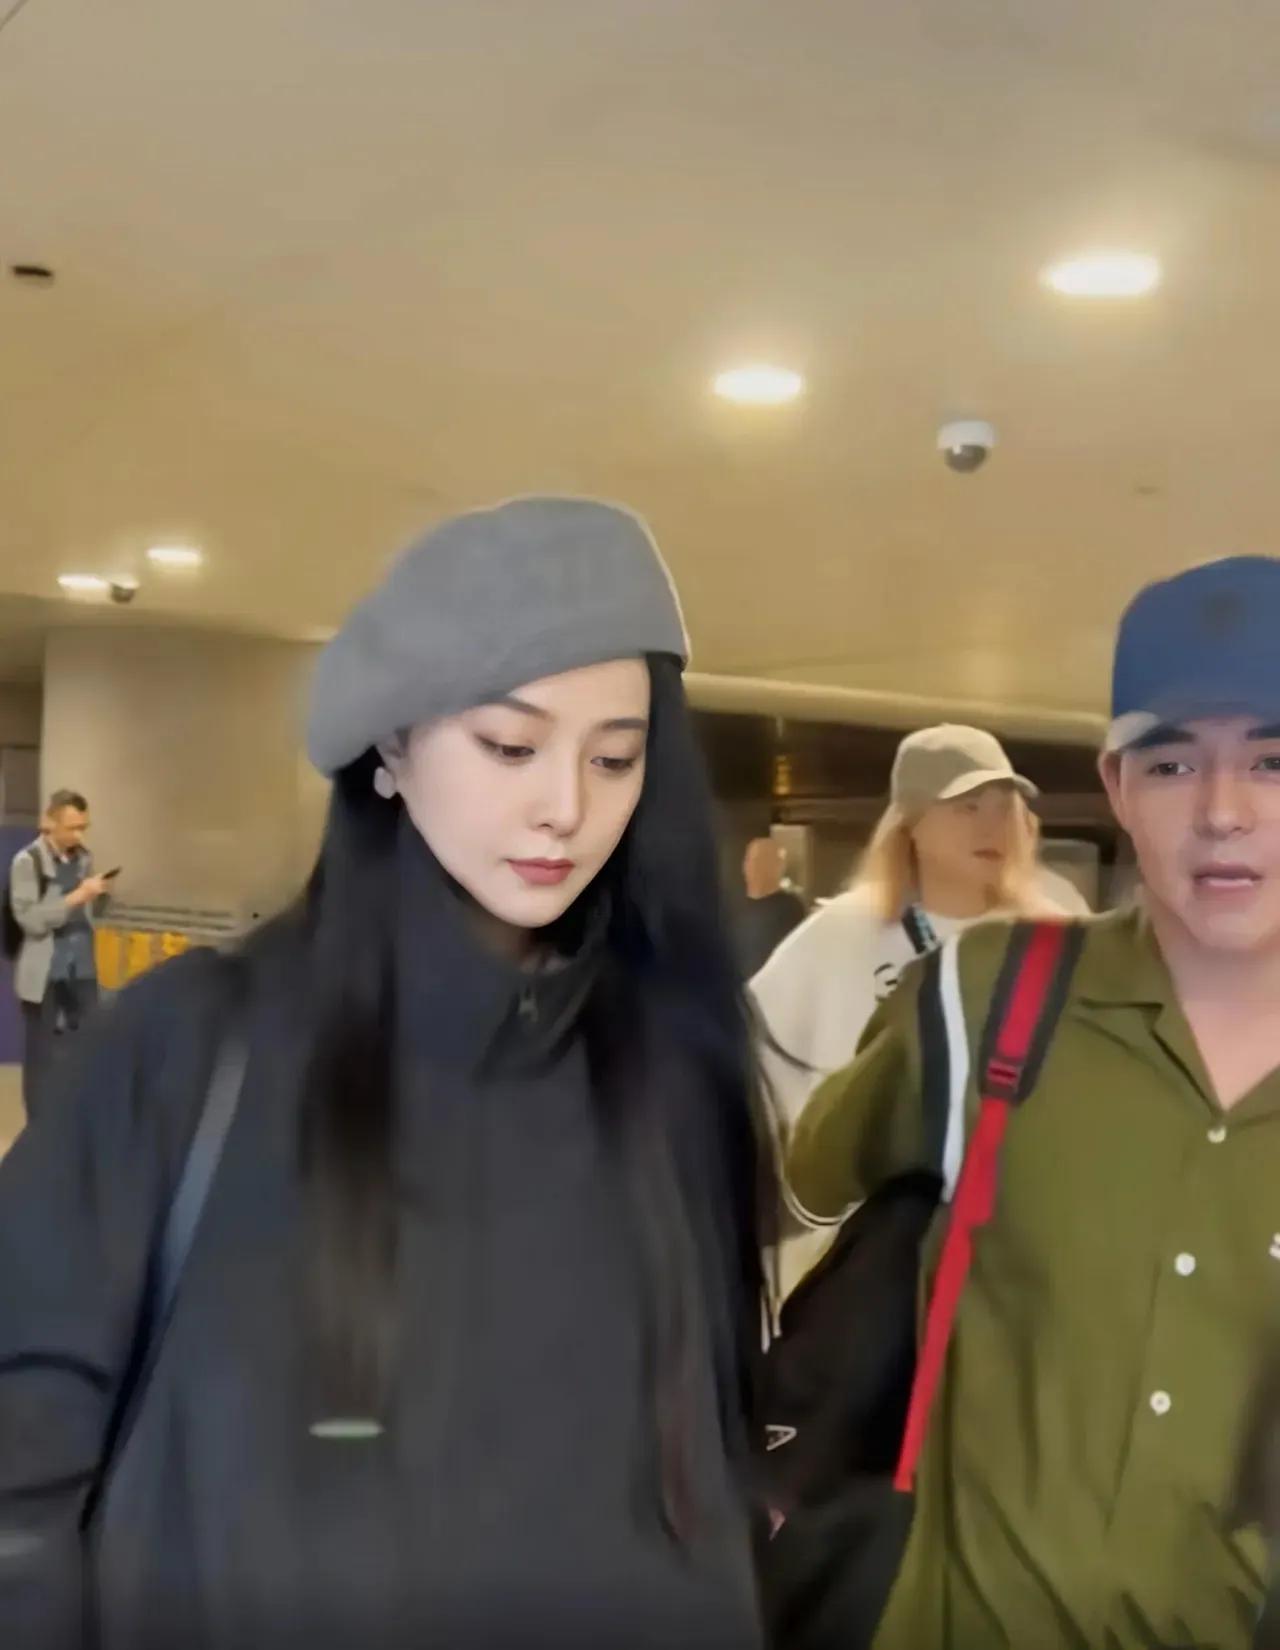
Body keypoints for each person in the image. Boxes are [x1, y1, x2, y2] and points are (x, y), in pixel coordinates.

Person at [0, 498, 770, 1650]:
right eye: (510, 746)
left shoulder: (672, 1073)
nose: (565, 805)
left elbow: (702, 1494)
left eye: (614, 757)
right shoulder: (186, 1048)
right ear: (392, 747)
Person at [786, 554, 1280, 1650]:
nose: (1222, 812)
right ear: (1116, 788)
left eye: (1271, 759)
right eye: (1170, 764)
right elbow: (810, 1180)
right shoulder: (986, 999)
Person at [753, 724, 1051, 1153]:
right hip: (861, 1189)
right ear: (911, 822)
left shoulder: (1049, 940)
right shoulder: (843, 933)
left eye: (1005, 809)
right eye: (968, 807)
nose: (993, 826)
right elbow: (749, 1050)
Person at [8, 789, 111, 1120]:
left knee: (90, 1044)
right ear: (50, 822)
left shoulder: (84, 858)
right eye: (71, 828)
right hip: (45, 973)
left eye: (83, 827)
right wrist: (76, 897)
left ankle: (79, 1118)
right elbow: (30, 920)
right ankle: (40, 1125)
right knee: (41, 1055)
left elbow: (92, 914)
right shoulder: (28, 862)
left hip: (81, 969)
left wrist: (99, 895)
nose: (78, 835)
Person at [733, 836, 805, 978]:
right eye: (751, 860)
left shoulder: (790, 909)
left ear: (778, 867)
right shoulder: (731, 905)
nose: (754, 867)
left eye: (763, 861)